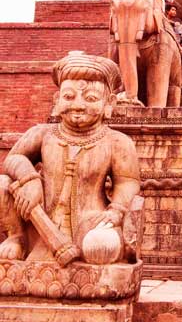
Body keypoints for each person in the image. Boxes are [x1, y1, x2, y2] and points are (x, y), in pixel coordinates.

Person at [0, 51, 140, 264]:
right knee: (2, 184)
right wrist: (30, 179)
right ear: (57, 101)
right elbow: (13, 158)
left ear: (108, 103)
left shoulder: (117, 142)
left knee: (100, 247)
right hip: (38, 219)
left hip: (91, 222)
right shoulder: (42, 133)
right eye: (68, 96)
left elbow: (128, 182)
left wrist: (116, 210)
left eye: (91, 98)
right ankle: (17, 238)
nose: (78, 104)